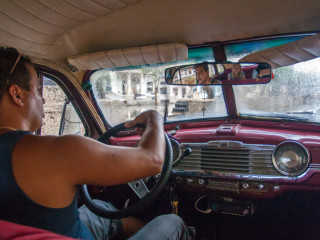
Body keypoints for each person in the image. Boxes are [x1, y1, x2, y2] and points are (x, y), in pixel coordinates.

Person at [0, 47, 195, 240]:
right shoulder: (57, 152)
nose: (42, 98)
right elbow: (153, 160)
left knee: (101, 208)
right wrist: (154, 117)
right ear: (17, 95)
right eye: (37, 89)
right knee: (172, 223)